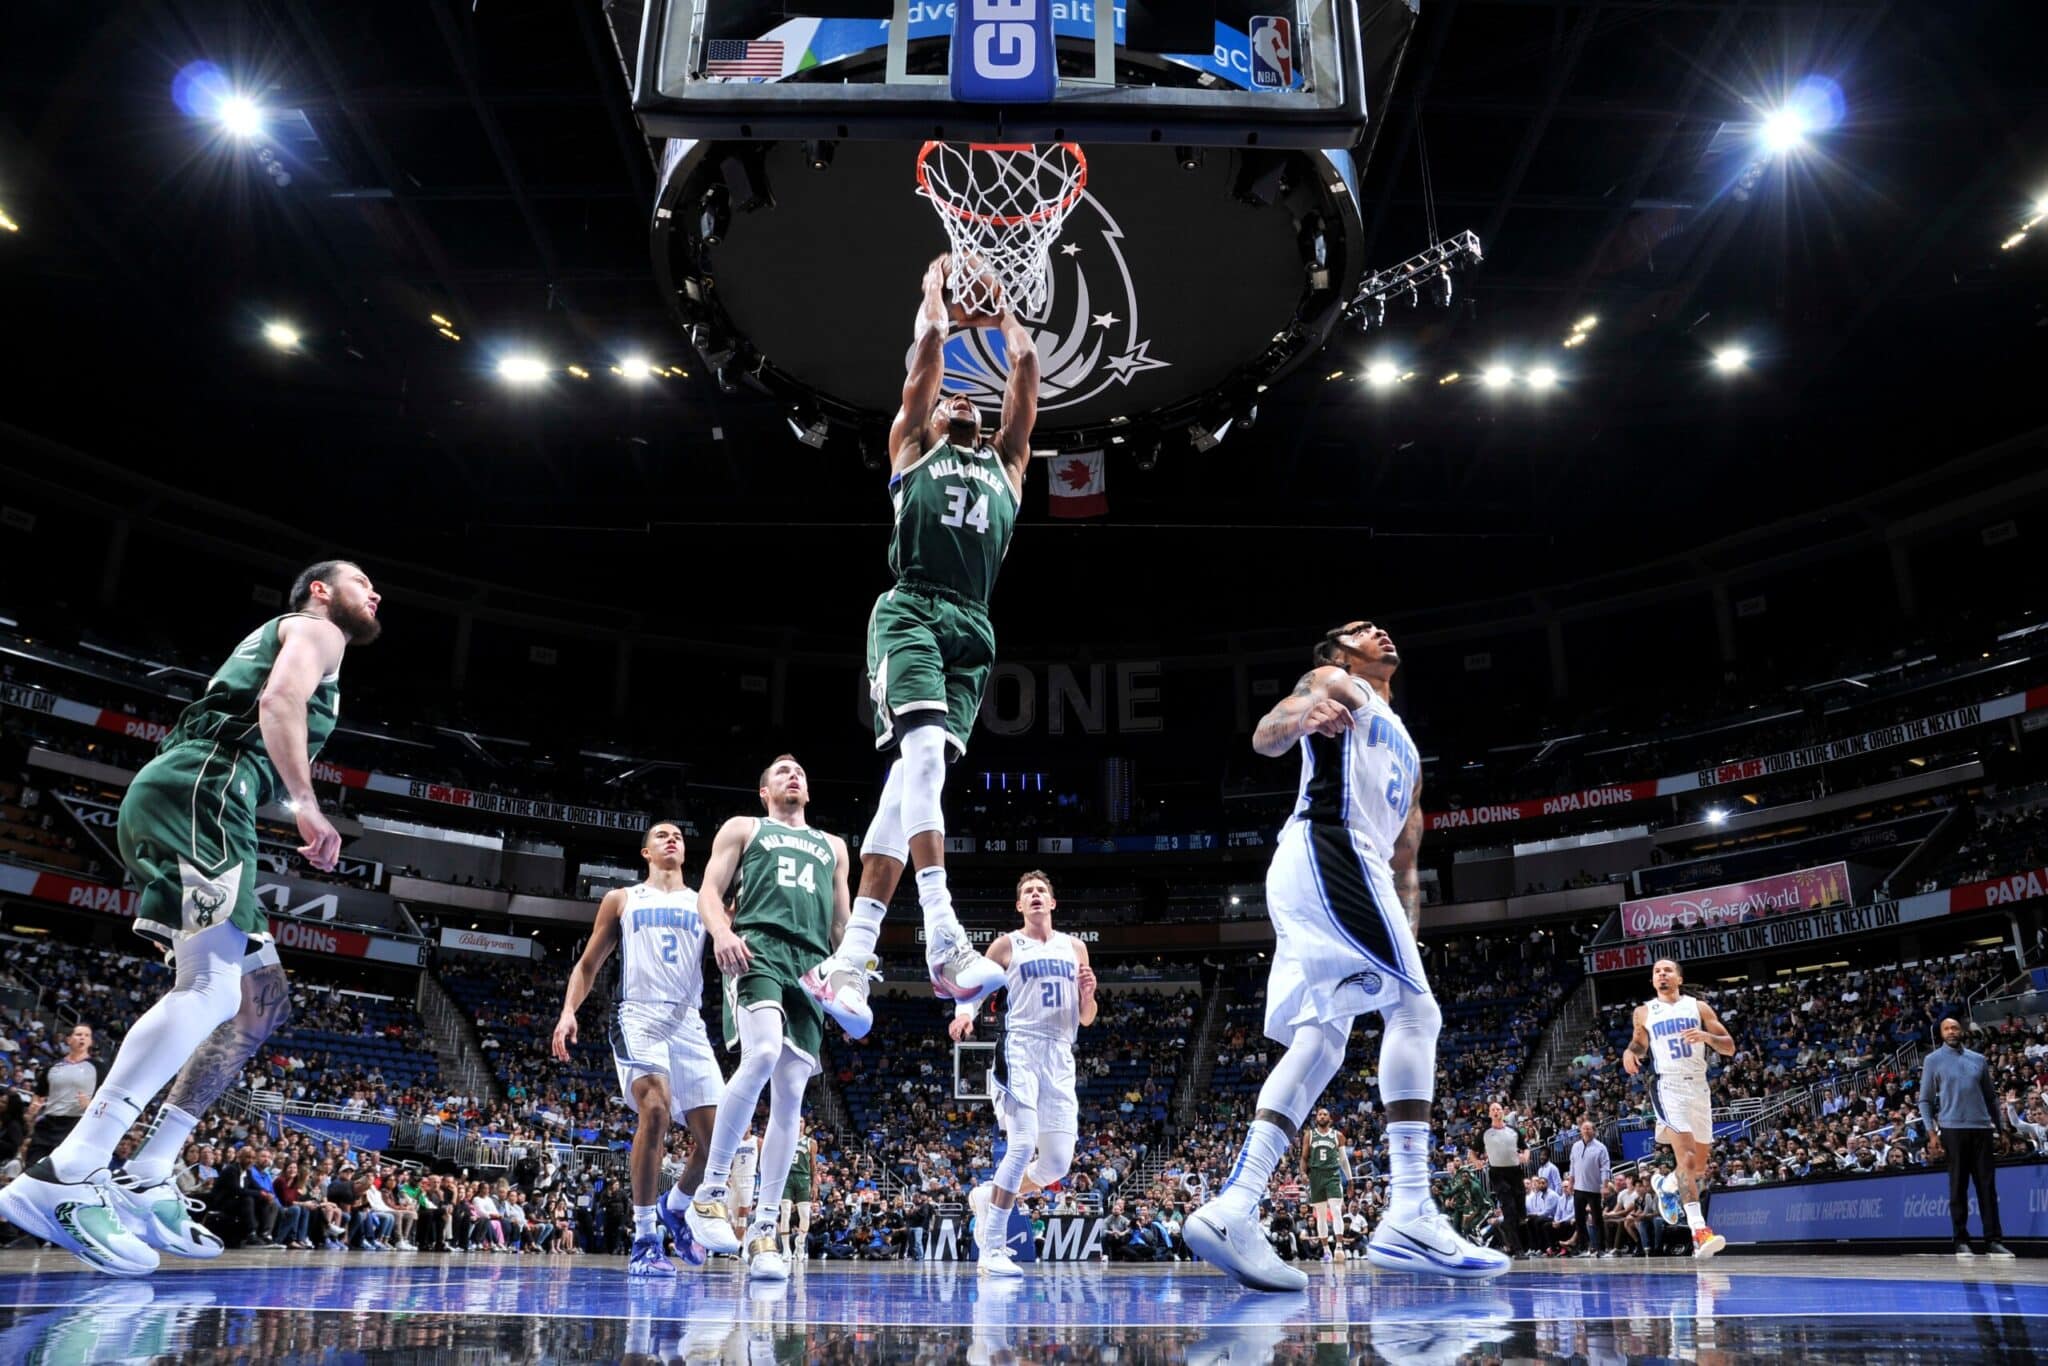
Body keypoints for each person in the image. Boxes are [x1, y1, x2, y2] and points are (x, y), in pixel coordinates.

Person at [0, 560, 380, 1276]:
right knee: (206, 990)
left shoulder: (298, 634)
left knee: (260, 1002)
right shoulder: (315, 629)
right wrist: (305, 802)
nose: (376, 593)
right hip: (202, 790)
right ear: (321, 590)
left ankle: (149, 1169)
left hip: (198, 793)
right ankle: (68, 1170)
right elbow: (278, 702)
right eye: (362, 581)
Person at [1186, 622, 1508, 1291]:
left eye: (1382, 626)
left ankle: (1234, 1207)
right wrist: (1305, 713)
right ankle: (1411, 1210)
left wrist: (1408, 939)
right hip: (1329, 848)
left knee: (1323, 1043)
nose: (1381, 631)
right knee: (1417, 1015)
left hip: (1338, 872)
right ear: (1337, 654)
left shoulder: (1411, 753)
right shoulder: (1339, 683)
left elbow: (1408, 864)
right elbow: (1268, 731)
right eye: (1362, 629)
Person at [802, 255, 1043, 1036]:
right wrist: (935, 299)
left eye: (970, 401)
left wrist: (1004, 312)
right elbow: (928, 362)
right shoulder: (912, 448)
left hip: (973, 624)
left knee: (909, 783)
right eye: (948, 402)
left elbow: (1028, 370)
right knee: (926, 762)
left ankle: (848, 965)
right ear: (927, 422)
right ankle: (944, 938)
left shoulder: (1007, 468)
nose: (961, 401)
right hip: (910, 610)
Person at [683, 755, 850, 1283]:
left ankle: (764, 1229)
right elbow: (709, 892)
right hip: (756, 947)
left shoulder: (834, 846)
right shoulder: (745, 827)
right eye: (781, 771)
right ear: (764, 791)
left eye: (800, 770)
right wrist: (721, 933)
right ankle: (709, 1194)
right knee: (762, 1051)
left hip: (812, 965)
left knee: (792, 1097)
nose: (793, 774)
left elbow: (842, 924)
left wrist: (850, 980)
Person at [552, 820, 726, 1276]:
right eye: (661, 836)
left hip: (689, 1021)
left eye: (680, 837)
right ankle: (646, 1237)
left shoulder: (702, 902)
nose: (672, 839)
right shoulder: (623, 899)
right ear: (646, 852)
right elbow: (589, 964)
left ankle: (677, 1206)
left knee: (718, 1141)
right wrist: (569, 1010)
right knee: (656, 1111)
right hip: (639, 1015)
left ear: (686, 854)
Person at [952, 870, 1097, 1277]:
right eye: (1028, 892)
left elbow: (1087, 1018)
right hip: (1020, 1047)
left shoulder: (1076, 947)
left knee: (1055, 1165)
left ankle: (986, 1195)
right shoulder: (1006, 944)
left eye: (1041, 891)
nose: (1035, 895)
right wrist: (964, 1015)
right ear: (1020, 906)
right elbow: (975, 987)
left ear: (1052, 903)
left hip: (1060, 1056)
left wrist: (1088, 994)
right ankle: (992, 1247)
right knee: (1020, 1146)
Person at [118, 938, 293, 1260]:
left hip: (240, 891)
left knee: (265, 1004)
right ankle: (85, 1167)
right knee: (217, 991)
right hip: (210, 889)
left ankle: (143, 1170)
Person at [1622, 957, 1734, 1258]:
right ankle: (1700, 1231)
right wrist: (1630, 1052)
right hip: (1668, 1086)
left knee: (1696, 1168)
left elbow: (1729, 1045)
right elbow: (1639, 1043)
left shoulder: (1698, 1008)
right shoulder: (1644, 1011)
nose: (1661, 974)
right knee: (1684, 1157)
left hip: (1699, 1086)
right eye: (1656, 971)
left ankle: (1665, 1184)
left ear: (1679, 978)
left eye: (1667, 970)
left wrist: (1707, 1037)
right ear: (1653, 980)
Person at [1922, 1016, 2015, 1258]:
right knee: (1958, 1187)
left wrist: (2001, 1128)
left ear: (1961, 1031)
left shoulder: (1978, 1059)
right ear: (1941, 1033)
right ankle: (1961, 1240)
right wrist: (1931, 1132)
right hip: (1952, 1130)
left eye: (1955, 1027)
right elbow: (1925, 1100)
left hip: (1982, 1128)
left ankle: (1994, 1240)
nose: (1951, 1031)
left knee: (1987, 1187)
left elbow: (1991, 1098)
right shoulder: (1932, 1060)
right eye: (1946, 1028)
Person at [24, 1025, 97, 1167]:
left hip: (75, 1126)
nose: (82, 1037)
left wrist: (90, 1105)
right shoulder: (52, 1066)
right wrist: (34, 1107)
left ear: (91, 1042)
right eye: (78, 1034)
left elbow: (107, 1099)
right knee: (31, 1168)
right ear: (68, 1040)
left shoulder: (99, 1068)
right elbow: (39, 1094)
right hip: (48, 1123)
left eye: (87, 1035)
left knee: (61, 1171)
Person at [1298, 1107, 1354, 1262]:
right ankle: (1326, 1250)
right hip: (1315, 1176)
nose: (1322, 1116)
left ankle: (1339, 1247)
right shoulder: (1309, 1135)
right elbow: (1303, 1158)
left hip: (1332, 1175)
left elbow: (1343, 1160)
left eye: (1325, 1114)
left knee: (1336, 1210)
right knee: (1321, 1215)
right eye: (1319, 1114)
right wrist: (1303, 1173)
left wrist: (1350, 1180)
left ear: (1330, 1118)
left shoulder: (1338, 1135)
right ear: (1316, 1118)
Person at [1568, 1119, 1610, 1256]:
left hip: (1594, 1189)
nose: (1586, 1131)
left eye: (1589, 1128)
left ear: (1594, 1131)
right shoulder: (1575, 1146)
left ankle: (1601, 1248)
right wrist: (1570, 1182)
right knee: (1579, 1219)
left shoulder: (1601, 1147)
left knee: (1597, 1219)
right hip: (1578, 1188)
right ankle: (1583, 1247)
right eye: (1584, 1128)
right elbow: (1572, 1166)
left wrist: (1604, 1186)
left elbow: (1605, 1168)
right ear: (1580, 1131)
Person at [778, 1118, 815, 1260]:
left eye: (801, 1121)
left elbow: (813, 1165)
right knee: (785, 1213)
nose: (799, 1123)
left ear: (804, 1124)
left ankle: (800, 1243)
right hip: (787, 1177)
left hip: (803, 1178)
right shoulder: (785, 1140)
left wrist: (815, 1185)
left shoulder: (811, 1142)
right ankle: (786, 1249)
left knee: (804, 1214)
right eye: (797, 1121)